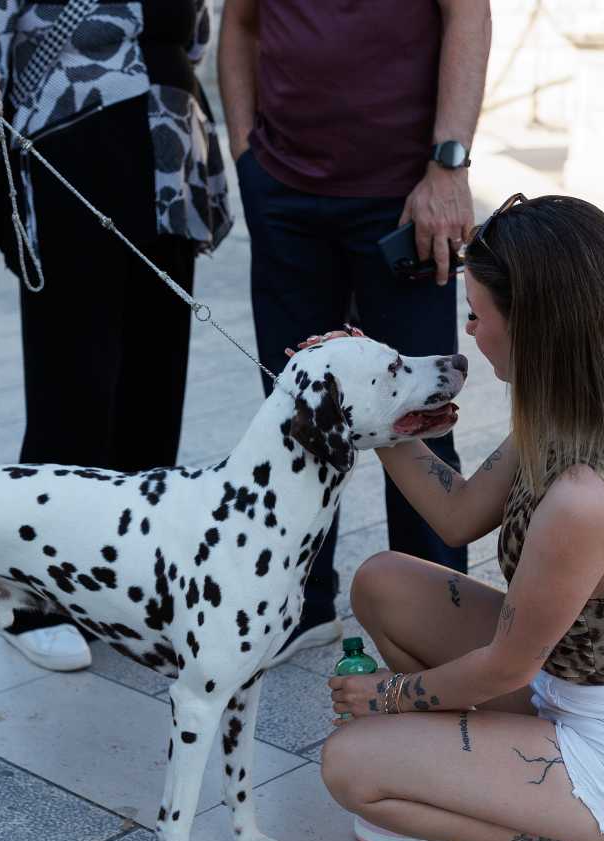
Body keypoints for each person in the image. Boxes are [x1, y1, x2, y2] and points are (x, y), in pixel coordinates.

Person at [321, 195, 604, 841]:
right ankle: (485, 802)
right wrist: (372, 401)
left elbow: (507, 660)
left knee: (351, 768)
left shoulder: (581, 497)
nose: (469, 332)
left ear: (534, 324)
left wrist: (385, 698)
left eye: (477, 313)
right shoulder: (569, 413)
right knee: (383, 580)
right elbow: (459, 514)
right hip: (569, 689)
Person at [0, 0, 233, 673]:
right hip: (67, 164)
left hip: (165, 163)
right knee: (72, 391)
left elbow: (192, 43)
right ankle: (30, 596)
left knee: (155, 386)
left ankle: (123, 583)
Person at [218, 0, 490, 667]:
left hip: (405, 196)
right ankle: (298, 606)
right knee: (295, 414)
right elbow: (240, 24)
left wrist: (449, 167)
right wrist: (245, 152)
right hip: (282, 190)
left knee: (421, 414)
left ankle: (438, 623)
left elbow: (469, 16)